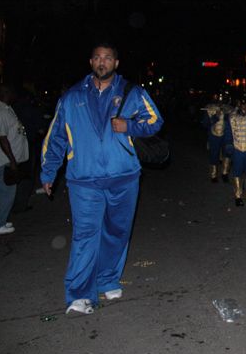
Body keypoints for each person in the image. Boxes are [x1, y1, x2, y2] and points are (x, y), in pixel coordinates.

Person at [40, 43, 163, 317]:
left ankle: (107, 279)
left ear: (116, 63)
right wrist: (48, 172)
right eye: (97, 57)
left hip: (124, 178)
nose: (102, 62)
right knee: (85, 236)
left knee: (118, 231)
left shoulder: (133, 92)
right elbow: (56, 136)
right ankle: (79, 294)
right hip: (84, 180)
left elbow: (155, 121)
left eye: (107, 58)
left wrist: (129, 126)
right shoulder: (71, 97)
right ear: (91, 62)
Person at [11, 88, 47, 213]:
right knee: (26, 175)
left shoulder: (11, 109)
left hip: (10, 147)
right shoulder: (31, 110)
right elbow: (41, 130)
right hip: (25, 145)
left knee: (11, 175)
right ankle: (20, 205)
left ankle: (10, 204)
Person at [0, 84, 29, 235]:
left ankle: (2, 220)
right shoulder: (0, 111)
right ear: (6, 92)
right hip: (4, 160)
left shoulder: (6, 108)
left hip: (10, 159)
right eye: (12, 91)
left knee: (6, 191)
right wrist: (11, 161)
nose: (15, 94)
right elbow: (2, 138)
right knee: (6, 192)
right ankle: (0, 223)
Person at [203, 97, 231, 183]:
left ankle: (225, 173)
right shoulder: (210, 109)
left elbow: (232, 123)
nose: (220, 101)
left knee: (227, 154)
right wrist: (216, 117)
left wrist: (226, 116)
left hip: (225, 135)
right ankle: (213, 175)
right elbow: (205, 124)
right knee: (214, 154)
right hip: (214, 135)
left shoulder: (229, 109)